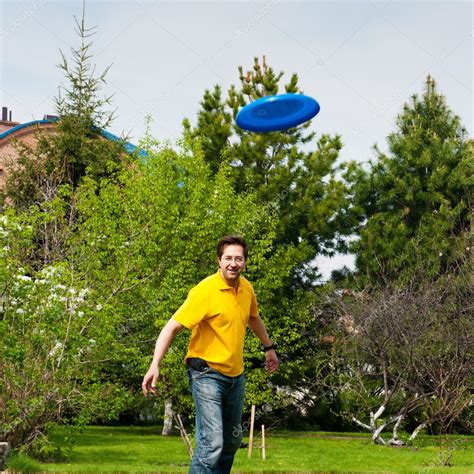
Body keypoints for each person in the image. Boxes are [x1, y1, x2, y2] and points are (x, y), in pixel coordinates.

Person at [142, 235, 279, 473]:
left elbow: (253, 318)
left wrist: (269, 348)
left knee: (231, 442)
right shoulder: (205, 291)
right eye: (228, 258)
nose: (233, 263)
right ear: (219, 260)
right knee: (212, 444)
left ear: (245, 262)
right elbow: (171, 327)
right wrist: (155, 364)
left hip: (236, 376)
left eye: (238, 259)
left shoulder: (246, 288)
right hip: (206, 373)